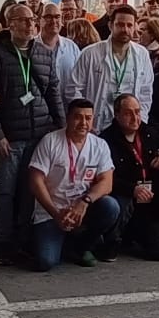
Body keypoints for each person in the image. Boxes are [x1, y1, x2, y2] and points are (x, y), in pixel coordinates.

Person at [0, 3, 63, 259]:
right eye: (23, 20)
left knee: (31, 190)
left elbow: (53, 93)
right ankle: (3, 241)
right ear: (10, 24)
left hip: (40, 136)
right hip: (10, 138)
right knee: (5, 192)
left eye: (31, 20)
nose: (29, 25)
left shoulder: (44, 54)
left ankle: (24, 237)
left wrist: (61, 129)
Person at [26, 98, 121, 269]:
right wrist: (56, 214)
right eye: (78, 117)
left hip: (82, 209)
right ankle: (53, 239)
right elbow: (35, 181)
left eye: (88, 118)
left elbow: (107, 183)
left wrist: (84, 202)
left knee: (111, 206)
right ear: (68, 118)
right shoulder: (50, 141)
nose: (83, 123)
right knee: (45, 262)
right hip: (52, 211)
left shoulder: (99, 145)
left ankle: (81, 246)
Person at [101, 94, 159, 261]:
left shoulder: (151, 134)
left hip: (150, 205)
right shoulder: (106, 140)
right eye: (128, 113)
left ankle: (138, 236)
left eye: (138, 112)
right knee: (117, 203)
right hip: (125, 198)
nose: (135, 118)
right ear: (117, 115)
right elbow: (105, 178)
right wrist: (132, 189)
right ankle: (111, 241)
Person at [71, 3, 155, 133]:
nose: (125, 29)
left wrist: (140, 120)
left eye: (129, 25)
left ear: (135, 27)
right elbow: (73, 89)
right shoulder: (91, 53)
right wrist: (85, 120)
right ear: (110, 25)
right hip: (97, 125)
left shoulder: (142, 54)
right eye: (120, 25)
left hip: (128, 127)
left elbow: (146, 92)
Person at [37, 2, 79, 86]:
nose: (53, 21)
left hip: (68, 99)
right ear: (39, 21)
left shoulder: (71, 47)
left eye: (57, 17)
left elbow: (80, 78)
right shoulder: (30, 47)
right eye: (48, 17)